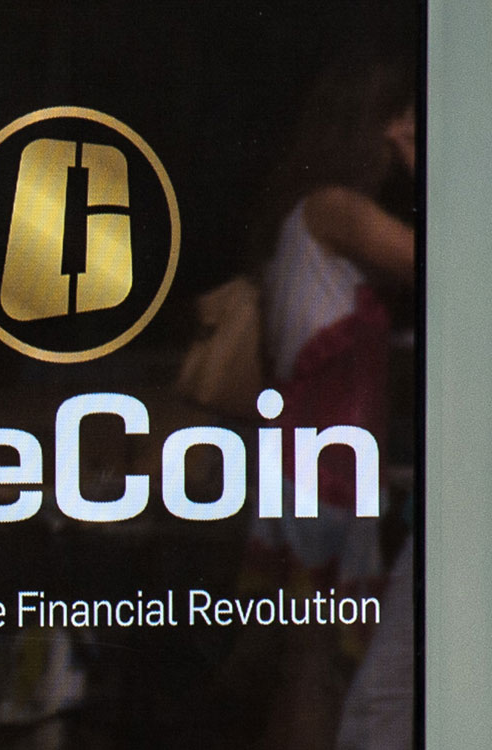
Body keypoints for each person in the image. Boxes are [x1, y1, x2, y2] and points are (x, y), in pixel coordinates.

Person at [241, 52, 417, 750]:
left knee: (307, 661)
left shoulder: (309, 219)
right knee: (319, 665)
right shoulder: (335, 208)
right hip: (326, 463)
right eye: (399, 119)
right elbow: (446, 258)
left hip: (314, 458)